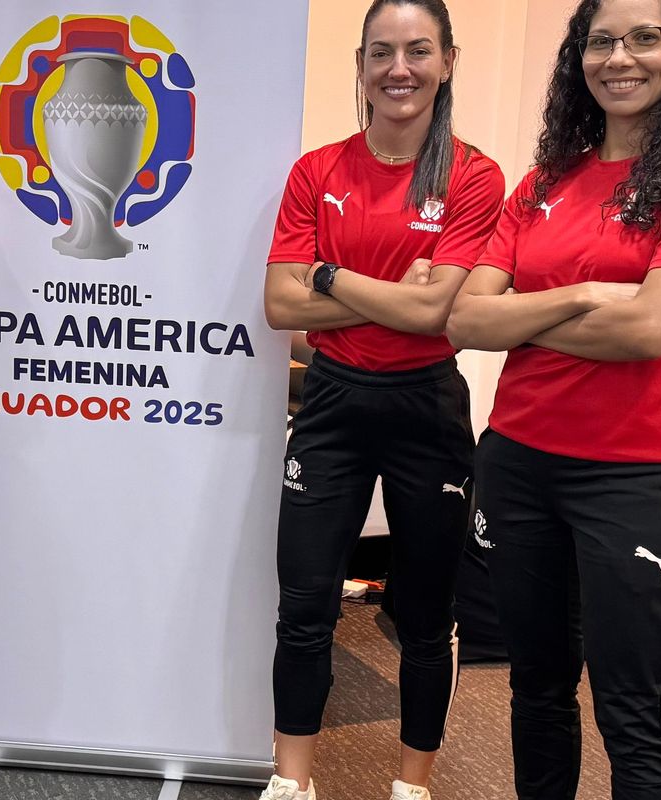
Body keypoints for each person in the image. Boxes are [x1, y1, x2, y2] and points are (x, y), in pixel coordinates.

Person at [445, 0, 661, 797]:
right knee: (536, 688)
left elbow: (651, 329)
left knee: (634, 710)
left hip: (633, 473)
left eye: (646, 37)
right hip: (518, 463)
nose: (620, 58)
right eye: (601, 41)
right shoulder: (545, 181)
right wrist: (584, 294)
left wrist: (522, 318)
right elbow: (465, 321)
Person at [260, 2, 504, 798]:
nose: (400, 69)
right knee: (304, 607)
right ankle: (291, 784)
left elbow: (435, 314)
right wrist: (392, 294)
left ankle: (412, 786)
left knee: (425, 616)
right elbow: (280, 305)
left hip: (425, 409)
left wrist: (328, 275)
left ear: (448, 61)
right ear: (361, 65)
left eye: (418, 51)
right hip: (332, 402)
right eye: (382, 52)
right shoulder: (317, 172)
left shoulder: (474, 177)